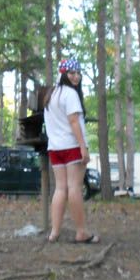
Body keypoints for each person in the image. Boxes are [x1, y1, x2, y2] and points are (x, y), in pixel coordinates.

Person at [43, 58, 99, 244]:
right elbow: (74, 121)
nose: (76, 77)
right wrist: (83, 147)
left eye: (78, 73)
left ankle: (54, 232)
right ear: (63, 74)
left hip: (54, 148)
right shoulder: (70, 94)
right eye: (72, 73)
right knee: (74, 187)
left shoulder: (51, 95)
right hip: (72, 146)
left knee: (60, 188)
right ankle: (81, 232)